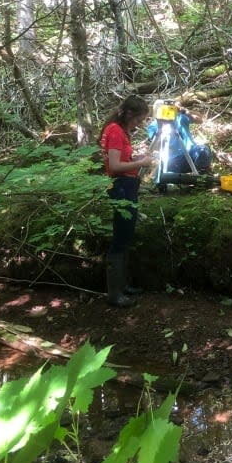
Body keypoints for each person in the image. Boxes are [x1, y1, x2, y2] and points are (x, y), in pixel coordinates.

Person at [100, 95, 154, 307]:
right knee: (120, 237)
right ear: (130, 114)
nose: (139, 124)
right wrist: (142, 162)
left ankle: (123, 286)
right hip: (121, 186)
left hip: (128, 185)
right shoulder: (114, 130)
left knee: (126, 235)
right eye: (138, 120)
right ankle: (114, 294)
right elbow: (113, 166)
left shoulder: (121, 132)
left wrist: (137, 158)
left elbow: (122, 159)